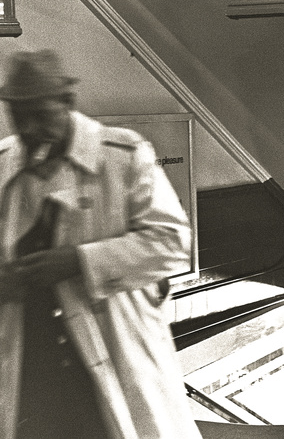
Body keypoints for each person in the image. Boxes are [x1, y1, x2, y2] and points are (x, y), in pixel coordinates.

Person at [0, 50, 201, 438]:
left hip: (112, 343)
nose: (29, 129)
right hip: (30, 356)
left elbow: (171, 241)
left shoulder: (123, 156)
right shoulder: (5, 164)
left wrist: (78, 261)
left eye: (41, 115)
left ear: (67, 103)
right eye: (19, 117)